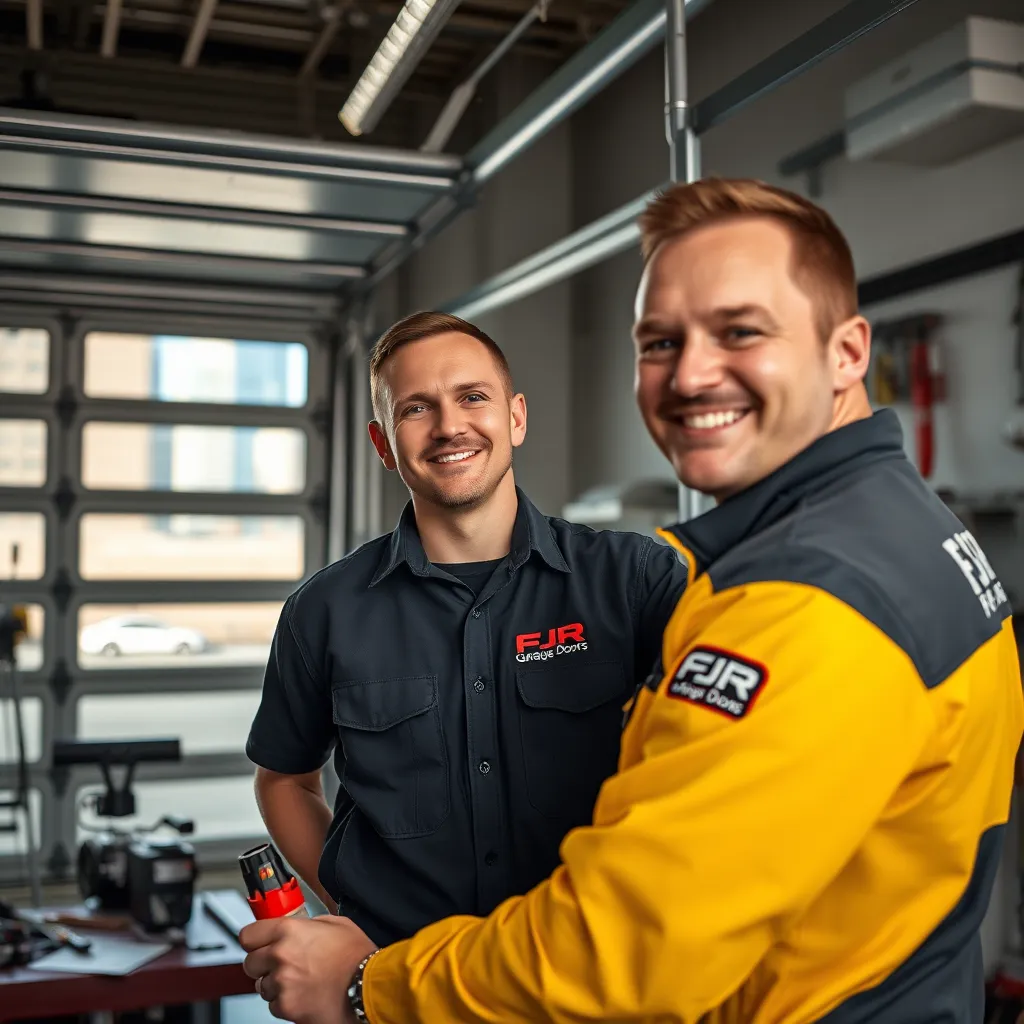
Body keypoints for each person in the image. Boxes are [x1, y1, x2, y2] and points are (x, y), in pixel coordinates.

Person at [240, 179, 1023, 1024]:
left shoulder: (793, 593)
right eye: (658, 342)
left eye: (741, 331)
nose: (690, 373)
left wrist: (366, 986)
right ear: (383, 444)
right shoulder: (905, 533)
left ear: (847, 351)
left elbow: (631, 944)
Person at [244, 310, 688, 946]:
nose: (449, 426)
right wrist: (355, 907)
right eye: (416, 409)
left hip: (586, 974)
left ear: (515, 416)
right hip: (400, 983)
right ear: (383, 446)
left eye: (472, 397)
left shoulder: (634, 580)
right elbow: (284, 778)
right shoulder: (324, 610)